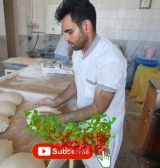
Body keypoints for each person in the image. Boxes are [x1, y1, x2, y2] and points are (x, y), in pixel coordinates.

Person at [35, 0, 127, 167]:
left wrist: (59, 119)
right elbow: (79, 82)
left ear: (86, 26)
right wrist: (56, 101)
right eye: (64, 33)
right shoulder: (78, 51)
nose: (66, 38)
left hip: (104, 132)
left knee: (101, 165)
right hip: (84, 120)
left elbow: (97, 109)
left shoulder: (110, 60)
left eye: (69, 32)